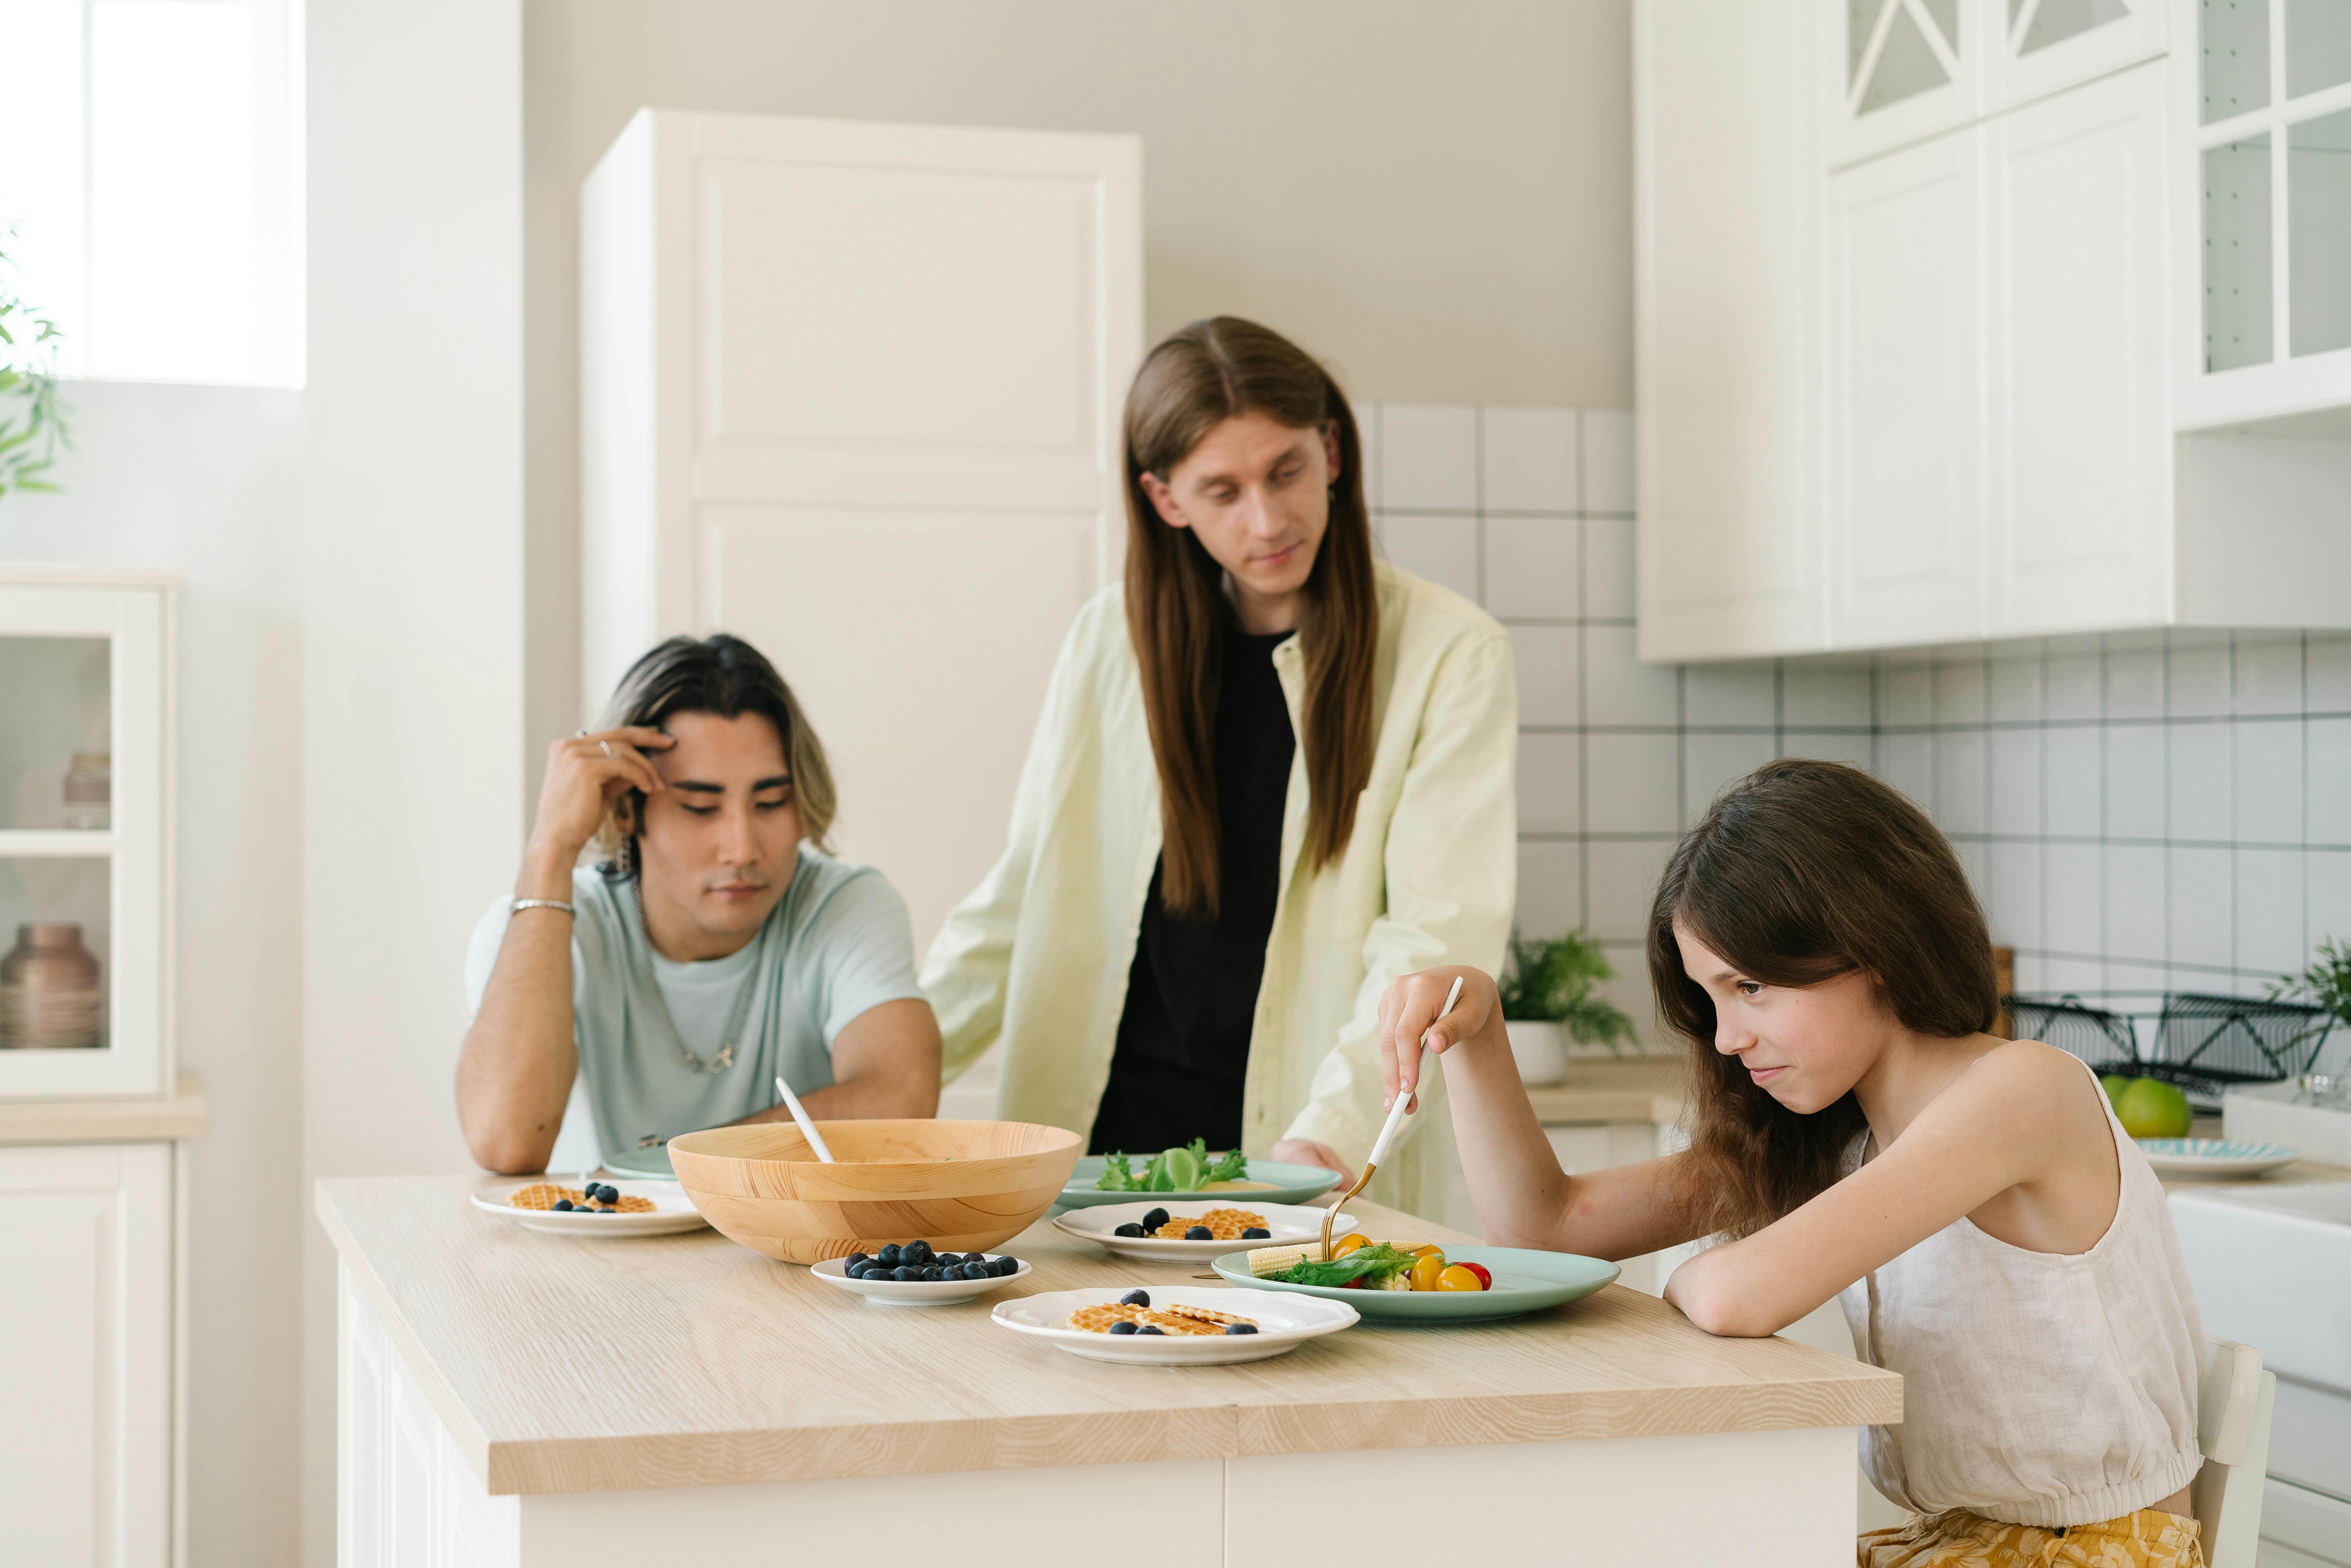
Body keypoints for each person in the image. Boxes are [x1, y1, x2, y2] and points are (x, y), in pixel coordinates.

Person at [1378, 759, 2209, 1568]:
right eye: (1711, 1000)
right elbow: (1543, 1229)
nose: (1729, 1038)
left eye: (1751, 988)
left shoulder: (2027, 1090)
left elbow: (1739, 1296)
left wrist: (1698, 1277)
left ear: (1872, 945)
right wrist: (1476, 1032)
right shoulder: (1842, 1138)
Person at [922, 316, 1518, 1211]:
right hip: (1095, 1168)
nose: (1269, 520)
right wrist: (870, 1079)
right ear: (1166, 500)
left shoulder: (1449, 653)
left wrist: (1321, 1143)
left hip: (1301, 1161)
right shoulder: (1107, 642)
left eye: (1285, 472)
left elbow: (1434, 945)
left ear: (1331, 452)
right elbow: (1023, 899)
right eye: (1223, 491)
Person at [458, 634, 940, 1174]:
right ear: (624, 811)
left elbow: (901, 1101)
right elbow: (506, 1142)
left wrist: (676, 1165)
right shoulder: (534, 927)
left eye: (771, 802)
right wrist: (550, 851)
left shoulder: (845, 906)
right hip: (592, 1255)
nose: (742, 848)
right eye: (700, 807)